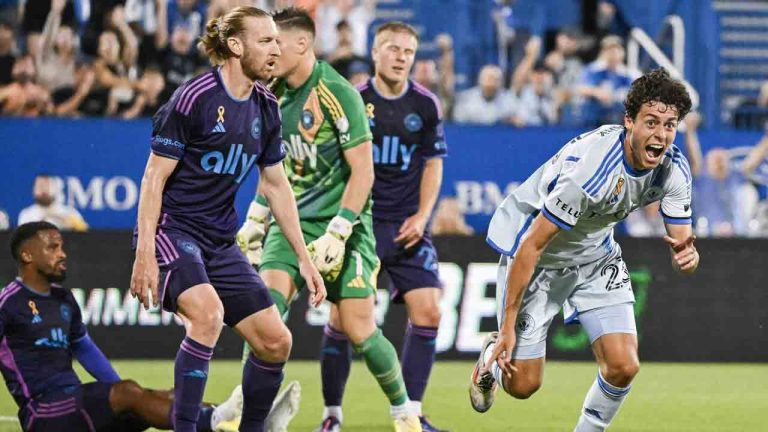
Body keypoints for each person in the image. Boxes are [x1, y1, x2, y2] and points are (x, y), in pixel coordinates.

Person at [129, 7, 325, 432]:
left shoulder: (267, 107)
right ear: (236, 47)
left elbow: (276, 186)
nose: (277, 49)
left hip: (220, 243)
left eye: (278, 40)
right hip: (173, 231)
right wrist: (145, 252)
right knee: (207, 314)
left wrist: (305, 258)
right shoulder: (193, 98)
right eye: (267, 41)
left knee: (276, 342)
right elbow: (152, 178)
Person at [470, 68, 699, 432]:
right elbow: (531, 246)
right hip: (540, 262)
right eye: (651, 122)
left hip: (596, 257)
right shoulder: (591, 172)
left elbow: (683, 245)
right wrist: (508, 326)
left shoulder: (673, 170)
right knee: (523, 385)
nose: (661, 134)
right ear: (629, 121)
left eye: (670, 125)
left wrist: (688, 257)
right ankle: (490, 361)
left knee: (624, 366)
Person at [236, 8, 421, 432]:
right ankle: (251, 413)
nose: (267, 52)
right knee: (264, 315)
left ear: (302, 44)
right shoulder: (271, 94)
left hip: (346, 229)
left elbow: (364, 172)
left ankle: (404, 413)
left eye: (273, 43)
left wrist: (340, 231)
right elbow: (273, 170)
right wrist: (255, 218)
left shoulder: (338, 92)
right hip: (292, 227)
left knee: (360, 330)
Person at [315, 21, 447, 432]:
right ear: (374, 53)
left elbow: (433, 164)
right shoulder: (353, 101)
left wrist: (424, 215)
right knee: (341, 323)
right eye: (392, 49)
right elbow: (334, 167)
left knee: (429, 313)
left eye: (408, 51)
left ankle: (410, 414)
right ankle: (331, 416)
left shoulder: (426, 105)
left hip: (407, 226)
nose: (401, 57)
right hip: (361, 227)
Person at [3, 222, 243, 431]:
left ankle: (237, 419)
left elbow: (85, 349)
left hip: (74, 404)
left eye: (62, 246)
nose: (63, 254)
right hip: (41, 411)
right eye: (52, 247)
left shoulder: (63, 299)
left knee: (159, 396)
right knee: (131, 395)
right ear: (27, 256)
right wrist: (124, 396)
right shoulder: (9, 303)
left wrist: (121, 396)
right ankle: (212, 422)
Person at [18, 175, 88, 231]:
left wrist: (63, 219)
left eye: (47, 186)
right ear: (33, 190)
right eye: (40, 186)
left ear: (55, 189)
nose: (44, 190)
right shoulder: (26, 215)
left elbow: (84, 230)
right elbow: (22, 239)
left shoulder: (69, 212)